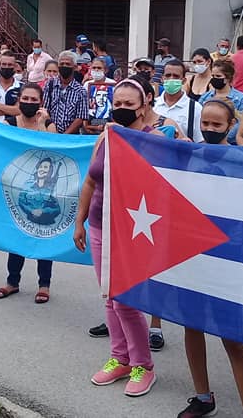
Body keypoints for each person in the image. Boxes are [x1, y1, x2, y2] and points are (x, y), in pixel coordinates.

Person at [74, 78, 164, 398]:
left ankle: (144, 365)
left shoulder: (155, 140)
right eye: (118, 103)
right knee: (108, 297)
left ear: (144, 106)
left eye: (129, 104)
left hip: (133, 231)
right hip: (99, 227)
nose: (122, 109)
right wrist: (79, 222)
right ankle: (120, 358)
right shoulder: (106, 135)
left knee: (126, 301)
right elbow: (89, 182)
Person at [178, 98, 243, 418]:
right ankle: (202, 396)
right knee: (191, 325)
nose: (210, 129)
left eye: (217, 125)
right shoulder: (189, 154)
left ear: (230, 126)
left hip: (229, 255)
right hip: (191, 252)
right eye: (205, 124)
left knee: (233, 337)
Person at [0, 84, 57, 303]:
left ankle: (44, 285)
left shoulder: (48, 125)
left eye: (34, 99)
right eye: (26, 98)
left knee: (43, 235)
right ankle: (12, 282)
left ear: (41, 102)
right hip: (17, 187)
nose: (30, 103)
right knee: (17, 235)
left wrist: (41, 123)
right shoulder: (10, 123)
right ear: (19, 100)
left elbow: (52, 150)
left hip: (44, 190)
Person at [154, 59, 203, 142]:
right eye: (168, 75)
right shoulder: (153, 104)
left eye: (176, 76)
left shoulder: (195, 108)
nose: (171, 79)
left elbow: (200, 141)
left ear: (183, 81)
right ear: (162, 79)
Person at [43, 51, 89, 134]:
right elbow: (45, 109)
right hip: (49, 134)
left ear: (75, 67)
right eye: (62, 64)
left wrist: (64, 136)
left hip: (70, 138)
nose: (64, 66)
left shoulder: (81, 91)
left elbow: (80, 118)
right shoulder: (49, 85)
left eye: (68, 64)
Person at [84, 57, 117, 135]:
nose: (96, 70)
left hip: (109, 124)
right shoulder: (87, 84)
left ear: (105, 70)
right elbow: (84, 107)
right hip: (91, 125)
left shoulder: (113, 84)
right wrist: (86, 125)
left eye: (99, 68)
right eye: (94, 68)